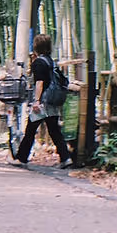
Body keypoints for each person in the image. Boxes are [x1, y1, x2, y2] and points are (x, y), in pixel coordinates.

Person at [13, 34, 74, 168]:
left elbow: (39, 83)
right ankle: (66, 157)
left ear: (36, 47)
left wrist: (36, 101)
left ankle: (21, 158)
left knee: (30, 129)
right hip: (52, 100)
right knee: (54, 130)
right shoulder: (51, 61)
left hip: (43, 102)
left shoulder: (39, 62)